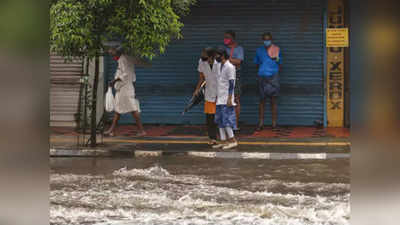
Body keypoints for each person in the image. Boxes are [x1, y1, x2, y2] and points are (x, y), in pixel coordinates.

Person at [104, 45, 147, 137]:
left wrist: (114, 81)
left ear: (117, 51)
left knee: (133, 109)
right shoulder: (125, 58)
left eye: (112, 51)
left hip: (125, 89)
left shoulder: (123, 59)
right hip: (123, 88)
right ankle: (111, 130)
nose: (111, 53)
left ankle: (142, 131)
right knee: (118, 110)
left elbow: (126, 74)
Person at [254, 32, 282, 131]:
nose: (267, 41)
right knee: (262, 101)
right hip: (262, 77)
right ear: (262, 40)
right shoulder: (259, 51)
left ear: (271, 40)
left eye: (268, 39)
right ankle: (261, 123)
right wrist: (261, 72)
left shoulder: (276, 49)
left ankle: (274, 123)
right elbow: (256, 63)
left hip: (273, 77)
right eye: (265, 39)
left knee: (273, 101)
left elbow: (280, 62)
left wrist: (275, 72)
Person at [193, 47, 220, 147]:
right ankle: (212, 138)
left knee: (219, 117)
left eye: (205, 55)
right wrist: (197, 89)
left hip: (220, 93)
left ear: (211, 56)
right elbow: (201, 78)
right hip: (209, 93)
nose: (203, 56)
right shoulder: (201, 62)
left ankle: (222, 137)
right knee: (209, 117)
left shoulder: (220, 63)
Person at [213, 48, 238, 150]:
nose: (216, 57)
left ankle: (233, 140)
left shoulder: (230, 67)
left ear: (222, 55)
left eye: (217, 55)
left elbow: (232, 84)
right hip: (220, 98)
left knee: (227, 120)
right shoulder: (219, 65)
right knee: (220, 121)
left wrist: (229, 98)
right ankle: (223, 141)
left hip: (226, 99)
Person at [223, 30, 244, 131]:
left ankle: (235, 124)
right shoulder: (224, 49)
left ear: (233, 38)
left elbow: (239, 62)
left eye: (227, 37)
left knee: (235, 99)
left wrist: (227, 60)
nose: (225, 39)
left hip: (236, 76)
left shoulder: (239, 49)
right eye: (225, 37)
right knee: (225, 100)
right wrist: (230, 60)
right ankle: (227, 123)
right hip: (224, 77)